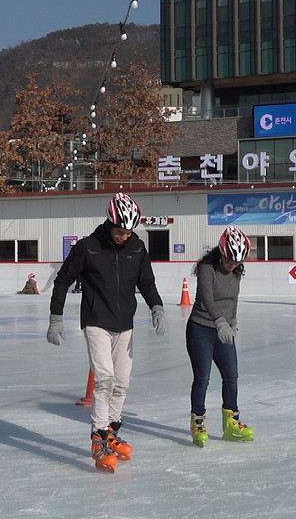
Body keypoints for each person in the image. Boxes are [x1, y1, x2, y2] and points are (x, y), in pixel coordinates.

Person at [46, 192, 165, 473]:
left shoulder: (137, 247)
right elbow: (63, 280)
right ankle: (98, 437)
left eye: (129, 231)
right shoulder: (88, 247)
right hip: (96, 321)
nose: (125, 236)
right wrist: (55, 317)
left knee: (122, 382)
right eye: (121, 231)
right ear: (110, 222)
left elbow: (146, 281)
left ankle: (111, 429)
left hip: (125, 323)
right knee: (105, 380)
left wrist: (157, 307)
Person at [186, 227, 255, 447]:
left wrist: (232, 320)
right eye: (228, 259)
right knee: (202, 380)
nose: (232, 264)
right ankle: (197, 422)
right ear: (221, 252)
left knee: (231, 376)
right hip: (201, 330)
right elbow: (206, 298)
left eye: (236, 261)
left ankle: (231, 423)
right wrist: (219, 321)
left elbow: (233, 299)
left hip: (223, 329)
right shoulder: (208, 269)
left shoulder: (235, 272)